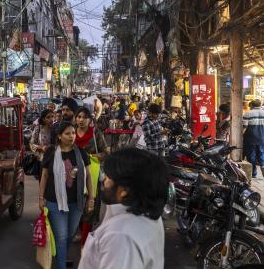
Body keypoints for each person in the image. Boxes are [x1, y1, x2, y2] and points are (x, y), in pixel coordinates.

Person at [78, 148, 168, 269]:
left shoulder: (121, 237)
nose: (103, 180)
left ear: (125, 190)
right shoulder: (146, 213)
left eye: (109, 177)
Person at [39, 122, 94, 269]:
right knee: (62, 237)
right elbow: (44, 175)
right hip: (54, 202)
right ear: (59, 136)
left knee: (70, 234)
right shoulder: (51, 152)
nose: (72, 136)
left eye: (73, 133)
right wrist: (41, 197)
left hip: (76, 202)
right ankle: (61, 265)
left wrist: (91, 198)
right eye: (67, 134)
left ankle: (58, 255)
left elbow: (88, 176)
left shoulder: (81, 152)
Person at [74, 107, 108, 246]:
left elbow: (105, 152)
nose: (81, 120)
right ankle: (80, 231)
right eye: (79, 117)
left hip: (91, 177)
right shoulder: (71, 133)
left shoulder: (96, 133)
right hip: (73, 177)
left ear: (90, 119)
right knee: (76, 206)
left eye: (84, 117)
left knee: (90, 207)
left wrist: (93, 157)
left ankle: (85, 240)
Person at [243, 99, 264, 178]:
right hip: (262, 138)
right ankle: (263, 165)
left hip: (250, 138)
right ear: (260, 105)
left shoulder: (248, 114)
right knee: (262, 152)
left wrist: (240, 137)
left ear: (252, 105)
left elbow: (244, 128)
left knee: (251, 155)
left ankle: (254, 172)